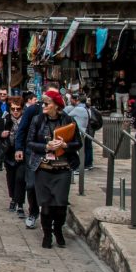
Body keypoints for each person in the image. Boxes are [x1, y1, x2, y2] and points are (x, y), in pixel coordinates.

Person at [27, 90, 82, 248]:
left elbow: (78, 143)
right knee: (45, 204)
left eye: (46, 103)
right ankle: (47, 234)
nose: (43, 106)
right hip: (43, 168)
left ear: (56, 106)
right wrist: (46, 146)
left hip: (62, 168)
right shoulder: (37, 120)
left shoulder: (68, 120)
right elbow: (30, 142)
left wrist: (65, 145)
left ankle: (58, 229)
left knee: (60, 204)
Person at [15, 91, 42, 229]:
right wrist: (19, 148)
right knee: (31, 185)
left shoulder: (62, 115)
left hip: (50, 154)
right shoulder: (33, 110)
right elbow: (22, 129)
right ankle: (33, 212)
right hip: (31, 152)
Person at [0, 98, 27, 217]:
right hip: (9, 153)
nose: (15, 111)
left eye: (18, 109)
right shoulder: (6, 120)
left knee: (20, 178)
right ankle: (13, 199)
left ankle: (20, 203)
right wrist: (1, 134)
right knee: (11, 178)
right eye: (13, 109)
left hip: (22, 155)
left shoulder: (26, 121)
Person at [66, 93, 92, 172]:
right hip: (84, 131)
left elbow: (67, 116)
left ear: (78, 101)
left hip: (79, 132)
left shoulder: (78, 109)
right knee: (84, 149)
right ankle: (84, 165)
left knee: (77, 150)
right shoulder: (87, 108)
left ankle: (77, 167)